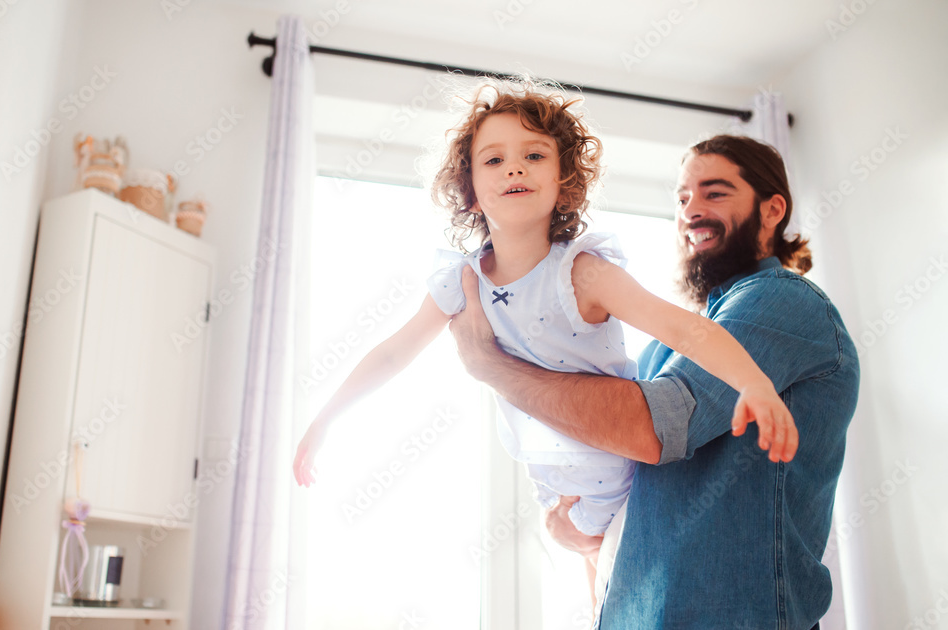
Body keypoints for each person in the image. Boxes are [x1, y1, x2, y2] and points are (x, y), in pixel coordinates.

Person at [292, 82, 798, 609]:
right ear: (469, 188)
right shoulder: (459, 281)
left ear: (564, 181)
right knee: (598, 602)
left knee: (619, 603)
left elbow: (684, 330)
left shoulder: (583, 273)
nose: (515, 168)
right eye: (494, 159)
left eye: (534, 155)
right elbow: (394, 353)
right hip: (556, 489)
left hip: (628, 490)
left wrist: (754, 384)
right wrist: (326, 419)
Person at [448, 132, 860, 629]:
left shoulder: (780, 303)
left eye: (715, 192)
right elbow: (618, 471)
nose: (692, 210)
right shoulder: (669, 347)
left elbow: (652, 428)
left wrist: (490, 364)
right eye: (682, 198)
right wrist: (581, 527)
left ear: (772, 211)